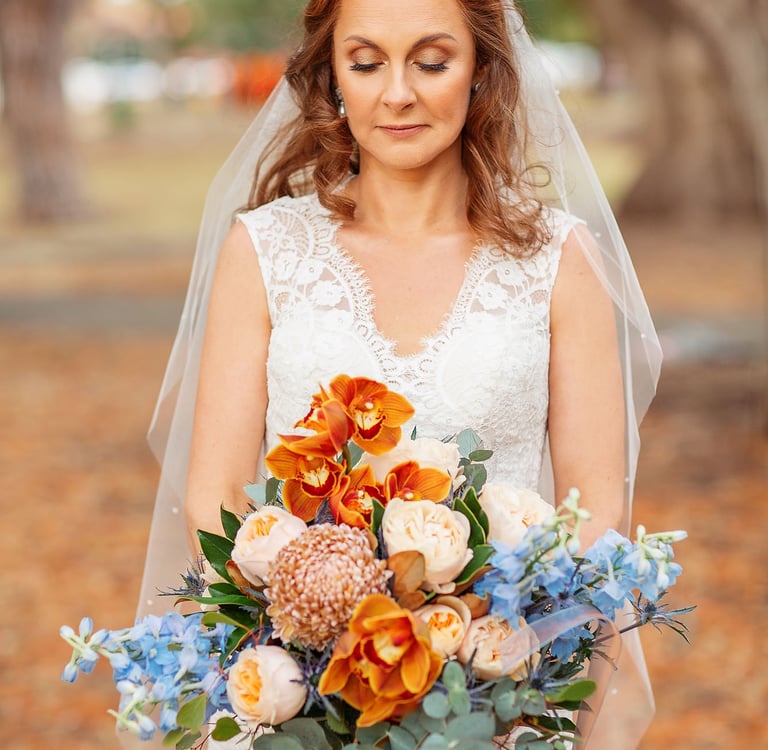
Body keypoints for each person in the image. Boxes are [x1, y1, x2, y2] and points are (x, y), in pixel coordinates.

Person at [135, 1, 662, 748]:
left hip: (500, 702)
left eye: (432, 60)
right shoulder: (264, 251)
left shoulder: (558, 259)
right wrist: (302, 675)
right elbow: (213, 499)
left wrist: (496, 682)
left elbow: (597, 503)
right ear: (332, 76)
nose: (397, 93)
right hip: (299, 702)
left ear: (482, 71)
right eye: (367, 61)